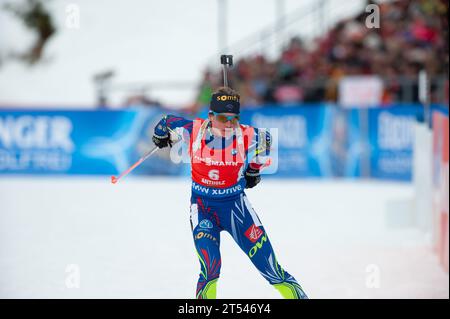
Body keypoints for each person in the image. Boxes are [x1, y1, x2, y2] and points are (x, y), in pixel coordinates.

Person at [152, 86, 308, 299]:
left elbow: (266, 139)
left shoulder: (247, 134)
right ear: (210, 115)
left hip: (236, 209)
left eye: (234, 118)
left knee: (272, 270)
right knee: (210, 269)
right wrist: (160, 136)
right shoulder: (193, 129)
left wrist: (253, 170)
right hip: (204, 209)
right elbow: (165, 121)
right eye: (223, 118)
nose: (229, 124)